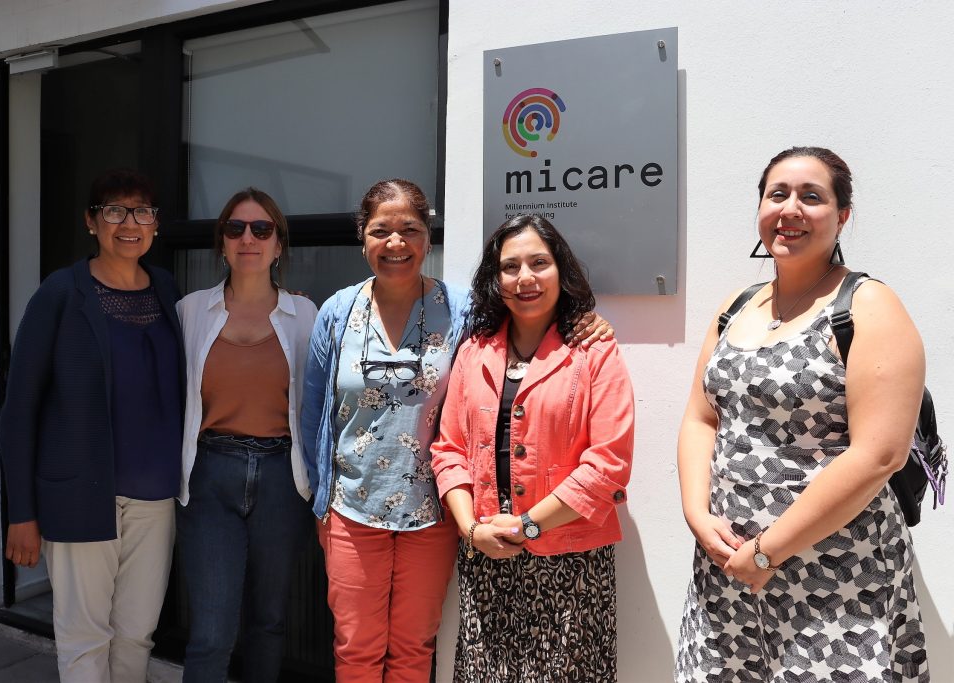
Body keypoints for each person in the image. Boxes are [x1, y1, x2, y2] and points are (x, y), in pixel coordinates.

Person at [301, 180, 612, 682]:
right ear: (363, 239)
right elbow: (313, 407)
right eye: (381, 231)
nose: (396, 243)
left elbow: (521, 329)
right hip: (351, 510)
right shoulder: (338, 311)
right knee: (355, 649)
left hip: (435, 512)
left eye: (410, 229)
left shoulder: (462, 309)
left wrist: (588, 322)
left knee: (413, 647)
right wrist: (320, 498)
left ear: (429, 237)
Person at [675, 147, 929, 681]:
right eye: (777, 195)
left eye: (811, 197)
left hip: (836, 578)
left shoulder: (867, 305)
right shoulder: (736, 307)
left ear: (842, 216)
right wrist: (698, 516)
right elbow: (702, 418)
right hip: (727, 575)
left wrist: (768, 552)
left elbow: (880, 454)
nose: (790, 209)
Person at [430, 214, 635, 682]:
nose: (525, 278)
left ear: (561, 270)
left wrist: (527, 525)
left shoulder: (594, 351)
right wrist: (471, 530)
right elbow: (448, 450)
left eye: (539, 263)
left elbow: (608, 465)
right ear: (494, 279)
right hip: (487, 553)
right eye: (510, 266)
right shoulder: (474, 351)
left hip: (570, 561)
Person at [0, 168, 185, 682]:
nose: (130, 222)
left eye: (142, 211)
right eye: (114, 210)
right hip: (80, 494)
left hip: (155, 497)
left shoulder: (167, 291)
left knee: (136, 632)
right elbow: (19, 410)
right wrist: (22, 512)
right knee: (84, 638)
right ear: (91, 221)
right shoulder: (61, 295)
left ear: (155, 224)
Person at [175, 188, 317, 682]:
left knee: (268, 622)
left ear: (279, 245)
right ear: (221, 244)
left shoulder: (306, 317)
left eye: (262, 229)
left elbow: (318, 405)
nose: (248, 238)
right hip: (211, 474)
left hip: (281, 476)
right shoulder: (190, 311)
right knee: (212, 631)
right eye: (235, 228)